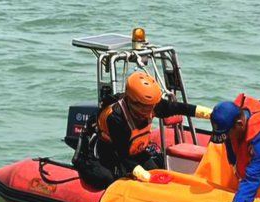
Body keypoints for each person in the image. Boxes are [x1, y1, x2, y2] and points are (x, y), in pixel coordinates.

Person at [82, 71, 212, 189]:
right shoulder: (116, 118)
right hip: (111, 152)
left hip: (137, 150)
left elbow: (178, 107)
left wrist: (209, 114)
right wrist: (144, 176)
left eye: (152, 106)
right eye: (145, 107)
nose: (150, 112)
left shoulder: (151, 105)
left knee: (156, 170)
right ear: (132, 102)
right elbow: (123, 156)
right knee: (110, 179)